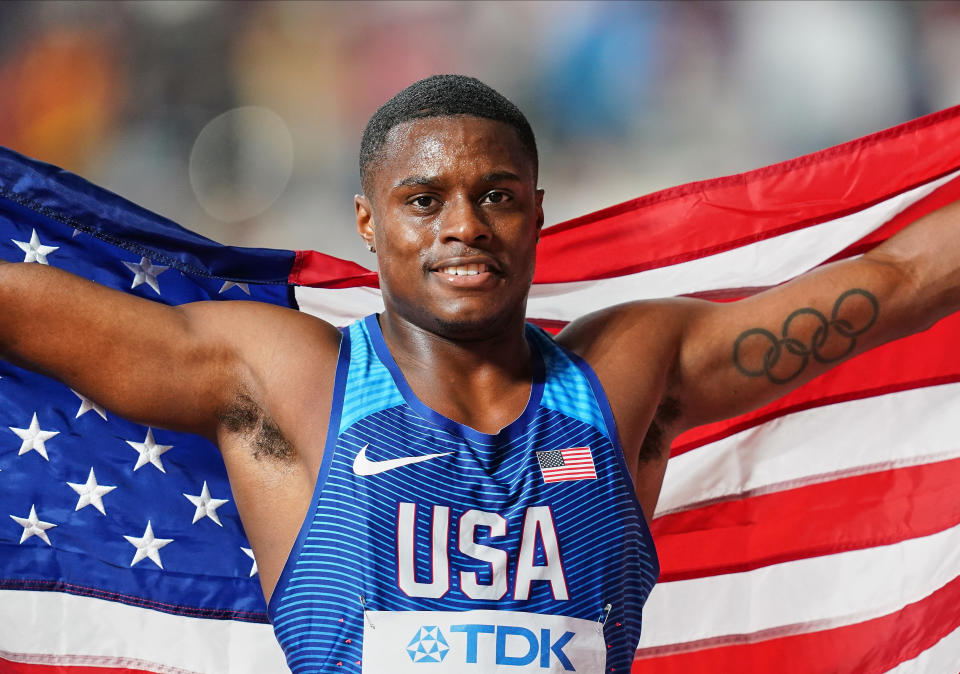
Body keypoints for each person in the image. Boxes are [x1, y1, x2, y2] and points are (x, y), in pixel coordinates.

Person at [0, 74, 958, 673]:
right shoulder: (285, 380)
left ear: (535, 214)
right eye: (425, 200)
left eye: (495, 195)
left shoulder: (624, 375)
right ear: (370, 225)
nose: (464, 225)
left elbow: (899, 280)